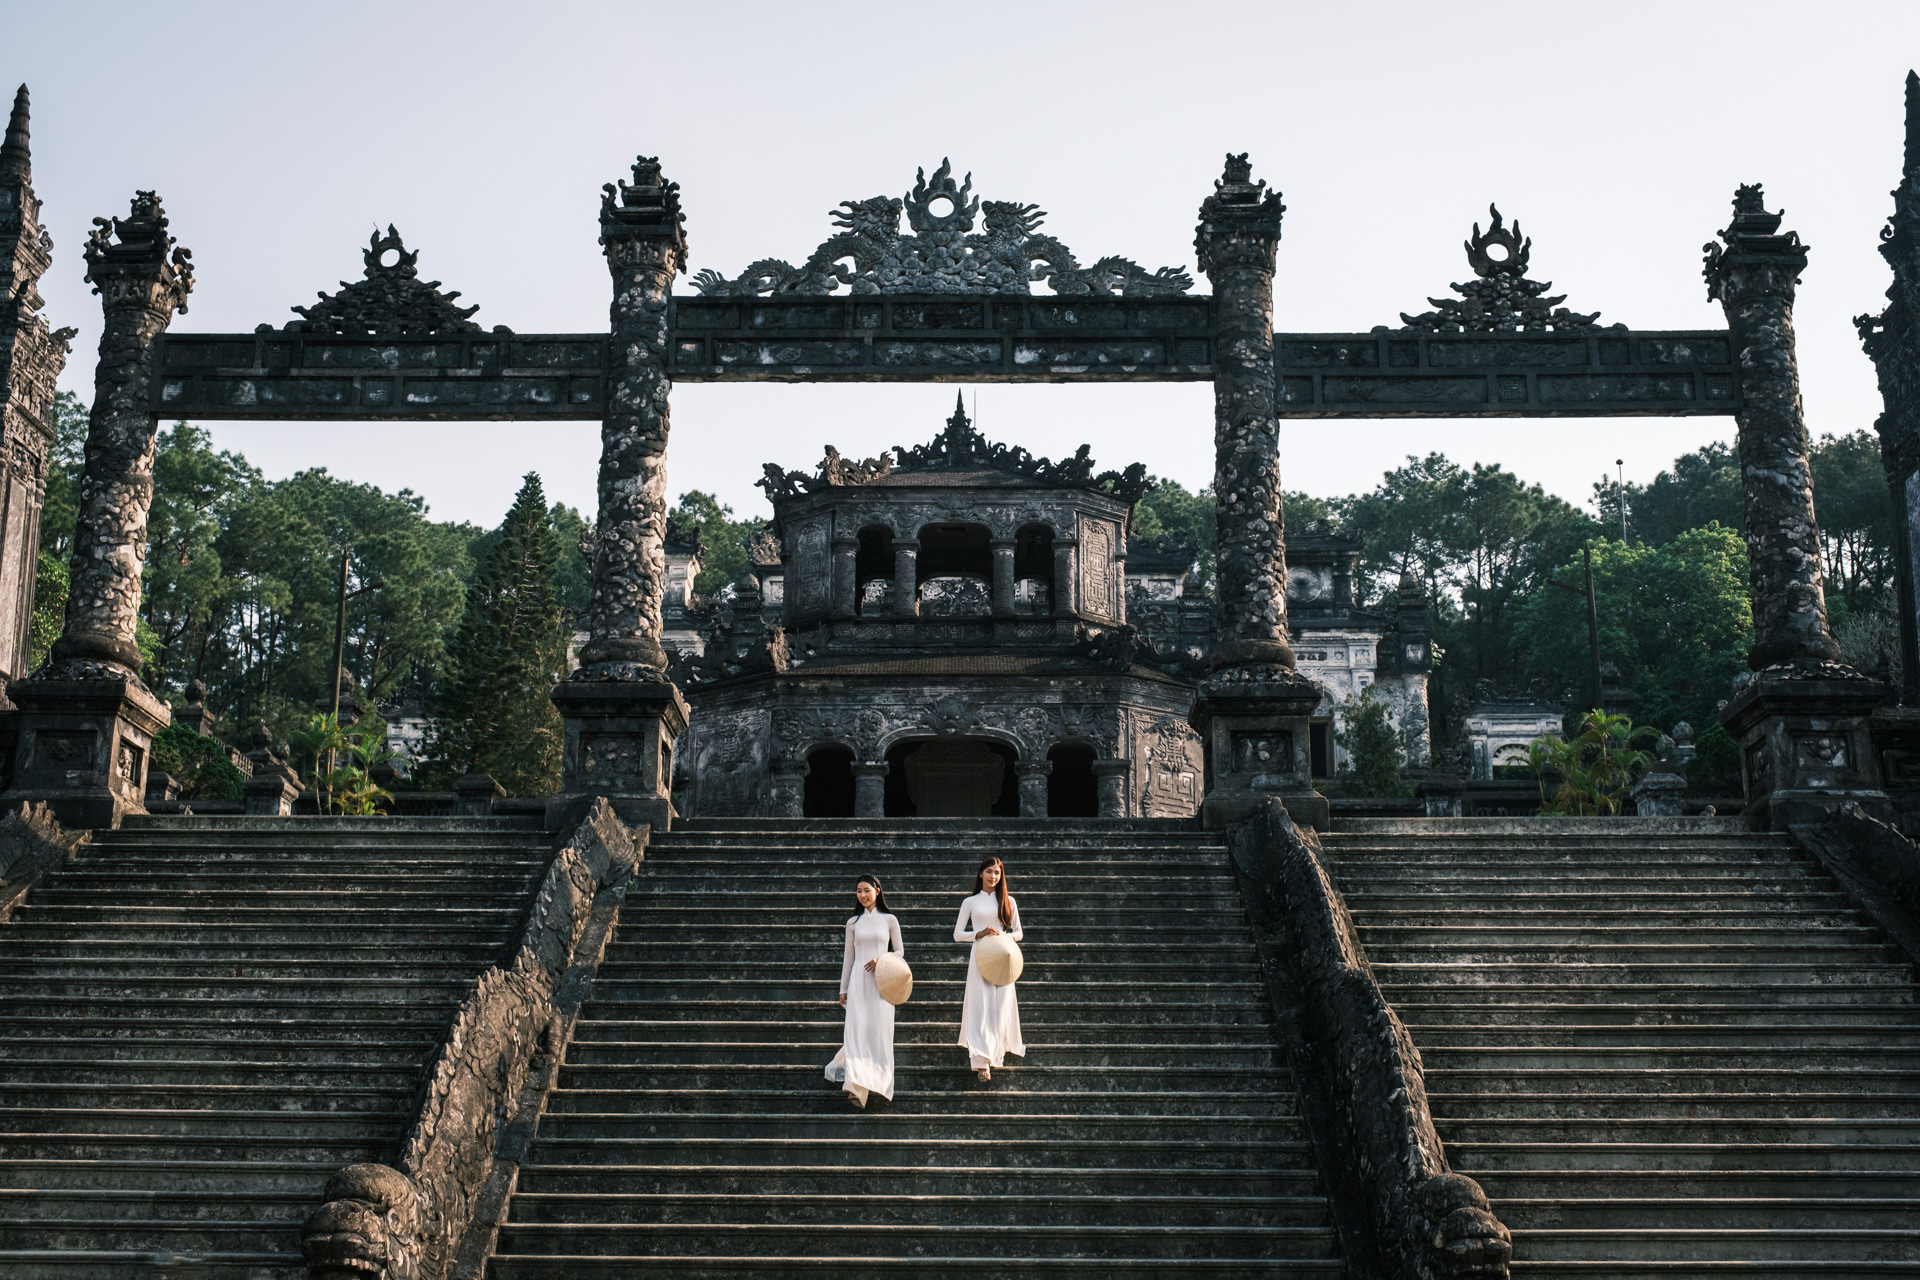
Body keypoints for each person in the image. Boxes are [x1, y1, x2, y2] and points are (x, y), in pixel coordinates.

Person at [826, 873, 904, 1108]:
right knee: (857, 1030)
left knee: (878, 1030)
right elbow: (848, 957)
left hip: (882, 982)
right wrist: (843, 988)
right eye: (858, 891)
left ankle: (877, 1080)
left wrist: (882, 959)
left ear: (877, 891)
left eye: (866, 890)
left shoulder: (890, 920)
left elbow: (899, 951)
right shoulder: (853, 923)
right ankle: (856, 1086)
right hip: (858, 982)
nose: (862, 895)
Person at [954, 855, 1025, 1081]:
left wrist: (1004, 937)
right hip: (980, 956)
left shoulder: (1008, 901)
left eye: (997, 872)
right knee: (980, 1007)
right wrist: (980, 934)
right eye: (989, 872)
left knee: (1000, 1007)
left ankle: (995, 1054)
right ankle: (982, 1062)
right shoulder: (970, 902)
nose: (993, 876)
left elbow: (1019, 933)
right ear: (980, 873)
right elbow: (957, 935)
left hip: (1003, 956)